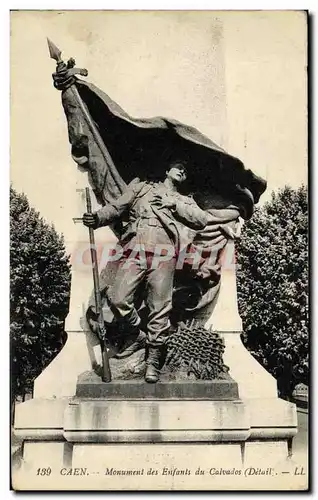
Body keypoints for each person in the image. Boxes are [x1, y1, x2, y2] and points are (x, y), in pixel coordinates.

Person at [83, 161, 208, 383]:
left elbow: (201, 220)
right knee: (118, 298)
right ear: (166, 170)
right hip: (136, 251)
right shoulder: (141, 188)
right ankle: (137, 336)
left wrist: (173, 205)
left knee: (159, 309)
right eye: (177, 167)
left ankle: (152, 362)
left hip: (164, 255)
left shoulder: (183, 200)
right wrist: (98, 218)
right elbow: (117, 207)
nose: (181, 171)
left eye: (185, 170)